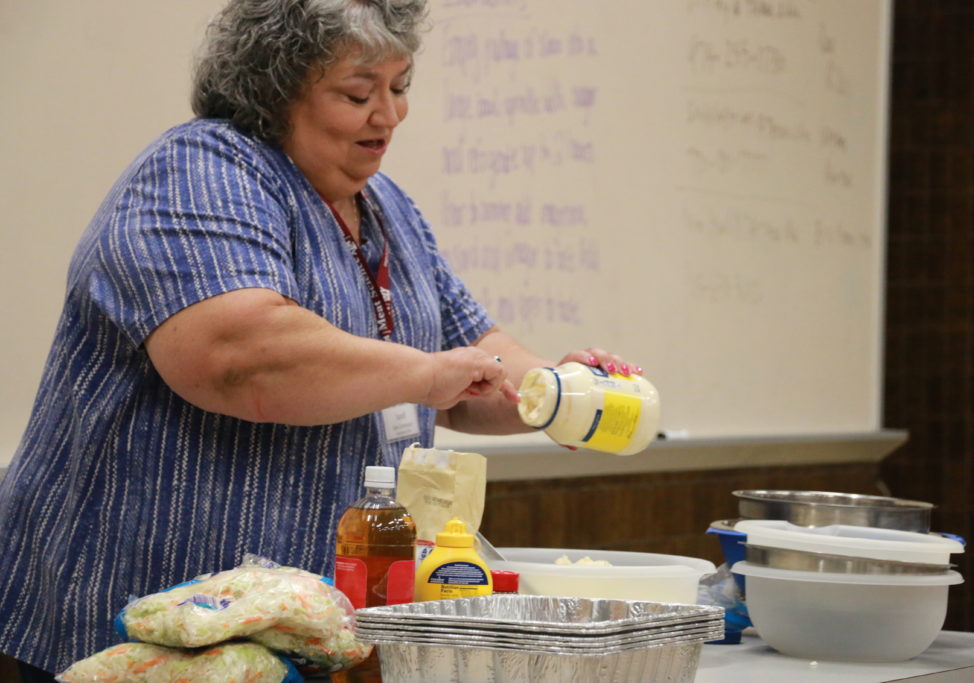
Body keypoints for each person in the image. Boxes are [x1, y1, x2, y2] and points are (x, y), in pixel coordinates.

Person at [0, 0, 642, 678]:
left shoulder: (385, 205)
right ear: (275, 93)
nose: (388, 115)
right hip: (145, 625)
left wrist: (561, 391)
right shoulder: (201, 170)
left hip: (297, 633)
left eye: (400, 88)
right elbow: (242, 357)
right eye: (358, 92)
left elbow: (474, 357)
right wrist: (427, 374)